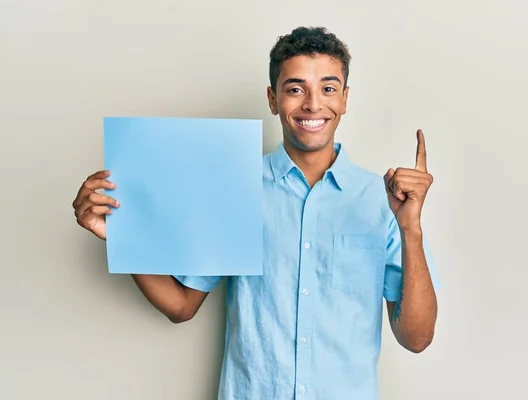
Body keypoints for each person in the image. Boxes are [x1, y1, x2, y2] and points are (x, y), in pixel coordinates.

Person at [72, 26, 439, 400]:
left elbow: (416, 338)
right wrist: (123, 234)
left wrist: (411, 229)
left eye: (328, 88)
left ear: (345, 99)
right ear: (272, 99)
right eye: (295, 88)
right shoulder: (237, 187)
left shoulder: (382, 200)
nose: (313, 104)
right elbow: (181, 305)